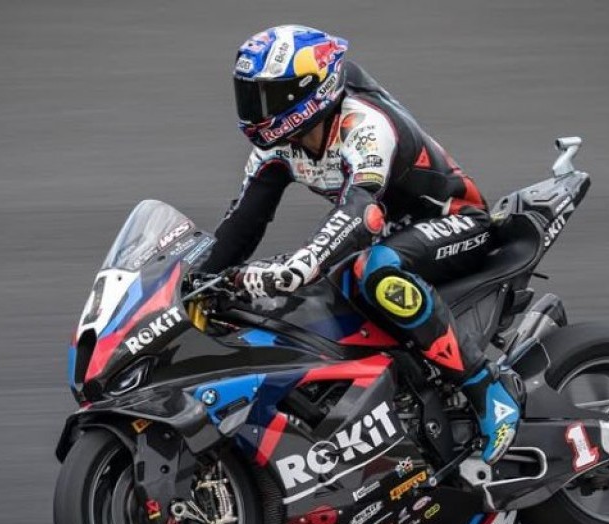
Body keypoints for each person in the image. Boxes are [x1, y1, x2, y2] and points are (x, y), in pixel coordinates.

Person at [210, 25, 521, 464]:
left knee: (374, 271)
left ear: (307, 91)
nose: (253, 109)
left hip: (456, 222)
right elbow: (242, 225)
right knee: (299, 296)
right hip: (389, 235)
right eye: (248, 95)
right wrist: (196, 281)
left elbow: (361, 211)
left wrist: (303, 263)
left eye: (265, 96)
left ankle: (488, 388)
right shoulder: (278, 146)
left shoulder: (365, 124)